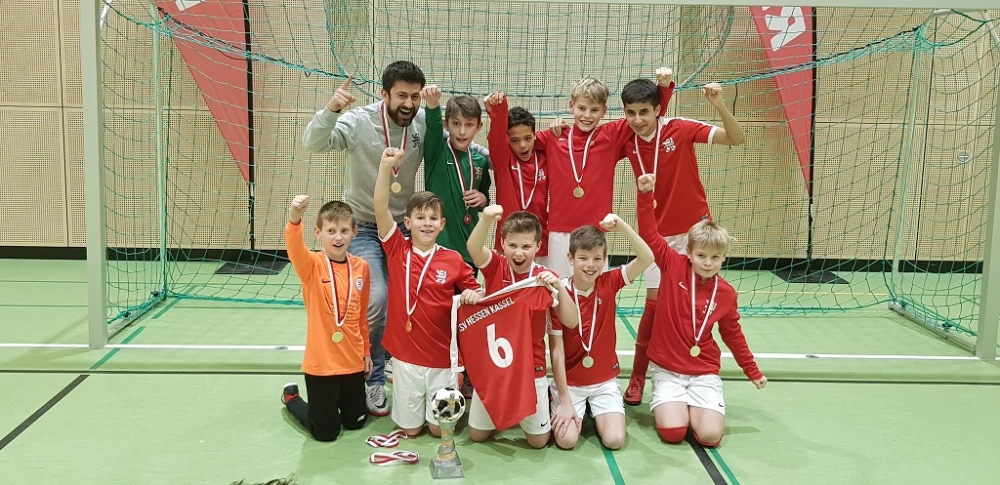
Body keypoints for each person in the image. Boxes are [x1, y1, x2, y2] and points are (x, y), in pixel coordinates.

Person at [302, 61, 489, 416]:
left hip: (405, 226)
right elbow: (313, 143)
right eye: (401, 95)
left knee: (414, 299)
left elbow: (461, 146)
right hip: (365, 224)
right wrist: (332, 109)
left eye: (415, 96)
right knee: (377, 299)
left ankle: (393, 357)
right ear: (384, 94)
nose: (409, 103)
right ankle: (372, 379)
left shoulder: (420, 122)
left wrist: (497, 170)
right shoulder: (358, 122)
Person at [619, 79, 746, 407]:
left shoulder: (681, 128)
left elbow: (736, 138)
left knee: (694, 304)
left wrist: (719, 105)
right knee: (654, 305)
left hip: (694, 234)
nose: (637, 119)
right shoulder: (625, 138)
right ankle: (638, 376)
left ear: (657, 110)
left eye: (644, 112)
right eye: (631, 112)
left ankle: (693, 373)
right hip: (657, 237)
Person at [635, 174, 766, 447]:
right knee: (673, 432)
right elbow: (649, 235)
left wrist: (752, 371)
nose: (708, 263)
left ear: (724, 257)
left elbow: (733, 335)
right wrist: (645, 196)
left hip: (703, 370)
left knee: (709, 436)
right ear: (689, 253)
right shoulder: (672, 266)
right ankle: (674, 402)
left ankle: (697, 405)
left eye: (715, 257)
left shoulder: (726, 293)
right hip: (667, 368)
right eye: (701, 256)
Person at [374, 146, 483, 437]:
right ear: (408, 223)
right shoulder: (397, 249)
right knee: (410, 430)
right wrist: (385, 168)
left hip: (442, 359)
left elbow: (477, 293)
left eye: (433, 218)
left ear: (442, 224)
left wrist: (473, 295)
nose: (426, 223)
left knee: (439, 430)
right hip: (406, 358)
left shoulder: (453, 259)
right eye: (420, 218)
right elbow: (380, 208)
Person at [535, 69, 673, 277]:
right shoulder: (553, 137)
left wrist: (664, 87)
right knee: (557, 289)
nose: (587, 115)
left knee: (596, 289)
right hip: (559, 230)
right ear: (571, 106)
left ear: (604, 111)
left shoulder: (611, 135)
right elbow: (520, 143)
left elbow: (650, 115)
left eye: (594, 110)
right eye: (582, 108)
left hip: (596, 229)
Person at [465, 205, 580, 448]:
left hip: (531, 368)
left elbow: (572, 321)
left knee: (538, 442)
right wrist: (486, 219)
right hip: (495, 367)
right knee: (477, 435)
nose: (519, 252)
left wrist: (558, 287)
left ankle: (541, 401)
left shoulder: (544, 277)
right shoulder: (496, 267)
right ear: (502, 244)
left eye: (526, 246)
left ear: (538, 246)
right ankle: (505, 409)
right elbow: (473, 249)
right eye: (512, 245)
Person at [548, 215, 653, 450]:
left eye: (597, 259)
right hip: (571, 384)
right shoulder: (559, 294)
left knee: (614, 440)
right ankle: (556, 397)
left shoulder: (609, 282)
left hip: (604, 382)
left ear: (605, 260)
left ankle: (594, 409)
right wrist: (564, 400)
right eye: (583, 258)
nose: (590, 265)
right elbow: (556, 352)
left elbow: (647, 257)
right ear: (570, 258)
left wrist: (622, 227)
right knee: (566, 441)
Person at [280, 197, 372, 442]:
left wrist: (366, 351)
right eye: (331, 231)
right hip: (321, 364)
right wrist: (294, 217)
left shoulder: (361, 267)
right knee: (326, 433)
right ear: (318, 233)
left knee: (356, 422)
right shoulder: (311, 265)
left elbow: (362, 316)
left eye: (344, 231)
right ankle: (292, 399)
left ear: (354, 232)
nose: (338, 237)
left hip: (352, 361)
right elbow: (294, 246)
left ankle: (334, 406)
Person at [420, 85, 491, 272]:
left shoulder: (480, 161)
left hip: (469, 251)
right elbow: (432, 126)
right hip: (438, 248)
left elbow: (485, 196)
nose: (462, 131)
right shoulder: (437, 150)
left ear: (479, 127)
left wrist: (483, 199)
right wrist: (432, 104)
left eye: (469, 125)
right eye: (456, 123)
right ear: (446, 124)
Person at [483, 92, 550, 265]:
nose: (522, 145)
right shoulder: (504, 162)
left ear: (535, 135)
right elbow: (496, 137)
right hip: (509, 243)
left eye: (527, 138)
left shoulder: (545, 160)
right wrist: (498, 108)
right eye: (514, 140)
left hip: (539, 242)